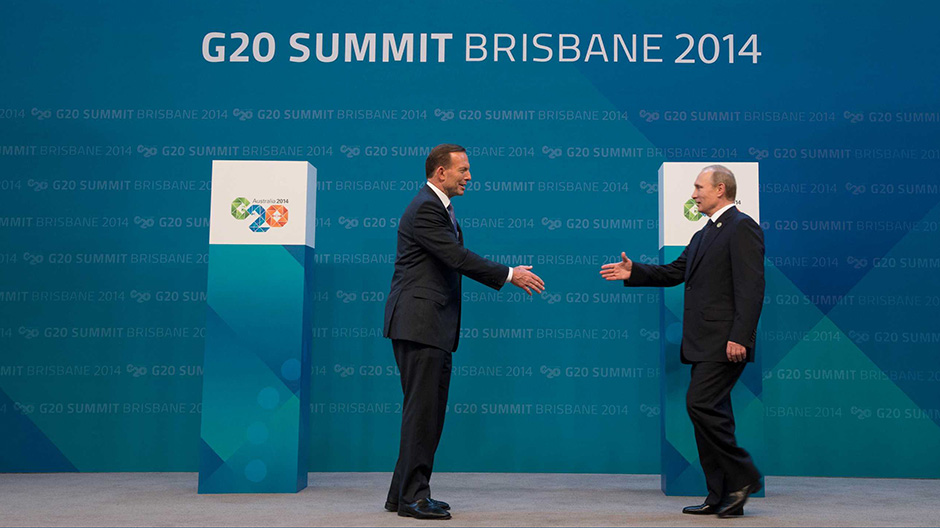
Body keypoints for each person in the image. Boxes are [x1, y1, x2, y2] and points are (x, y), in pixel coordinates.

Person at [383, 144, 545, 520]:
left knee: (425, 413)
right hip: (420, 323)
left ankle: (403, 494)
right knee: (422, 413)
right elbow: (456, 258)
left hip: (429, 325)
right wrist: (509, 274)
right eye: (463, 170)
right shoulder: (426, 207)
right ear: (441, 172)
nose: (469, 176)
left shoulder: (440, 208)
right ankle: (413, 498)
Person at [600, 165, 764, 518]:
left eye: (698, 187)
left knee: (700, 405)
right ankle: (721, 495)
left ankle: (744, 475)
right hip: (703, 342)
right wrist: (635, 272)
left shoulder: (742, 226)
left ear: (720, 189)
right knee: (711, 412)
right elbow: (675, 272)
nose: (693, 194)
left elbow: (751, 288)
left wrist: (741, 336)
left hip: (726, 342)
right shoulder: (704, 233)